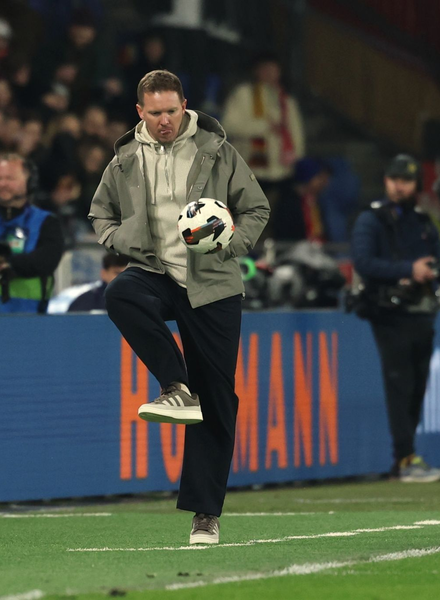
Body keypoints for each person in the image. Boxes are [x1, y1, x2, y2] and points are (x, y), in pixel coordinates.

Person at [88, 70, 270, 545]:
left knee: (218, 399)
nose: (165, 120)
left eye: (172, 110)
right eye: (155, 113)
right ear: (140, 112)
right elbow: (99, 212)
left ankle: (205, 515)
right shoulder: (125, 158)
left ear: (184, 105)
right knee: (120, 293)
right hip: (157, 273)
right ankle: (175, 385)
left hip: (213, 285)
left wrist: (230, 244)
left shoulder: (217, 150)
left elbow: (257, 208)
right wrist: (120, 240)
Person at [351, 154, 440, 484]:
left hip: (421, 311)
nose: (398, 186)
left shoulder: (423, 221)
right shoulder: (372, 219)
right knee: (400, 384)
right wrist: (409, 269)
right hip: (388, 312)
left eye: (405, 181)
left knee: (417, 385)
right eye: (394, 180)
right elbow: (363, 262)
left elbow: (439, 260)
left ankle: (407, 456)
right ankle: (405, 458)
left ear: (417, 185)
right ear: (385, 181)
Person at [222, 53, 304, 239]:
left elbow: (295, 134)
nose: (270, 73)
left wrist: (296, 158)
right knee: (248, 223)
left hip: (282, 170)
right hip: (252, 170)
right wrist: (263, 127)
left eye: (273, 69)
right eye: (265, 69)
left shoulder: (285, 99)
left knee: (283, 221)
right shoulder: (244, 94)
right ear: (256, 71)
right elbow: (229, 125)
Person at [0, 153, 65, 313]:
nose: (2, 184)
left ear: (30, 182)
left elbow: (47, 259)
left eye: (10, 178)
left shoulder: (46, 222)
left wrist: (9, 264)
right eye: (0, 178)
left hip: (31, 318)